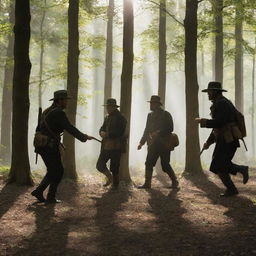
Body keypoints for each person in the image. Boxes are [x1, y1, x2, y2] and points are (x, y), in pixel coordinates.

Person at [31, 90, 92, 203]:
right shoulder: (58, 113)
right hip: (49, 146)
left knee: (53, 170)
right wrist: (83, 137)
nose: (67, 103)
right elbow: (69, 128)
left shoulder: (46, 111)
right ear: (60, 101)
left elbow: (38, 129)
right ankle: (50, 197)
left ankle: (40, 191)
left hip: (41, 145)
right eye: (65, 100)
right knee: (58, 171)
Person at [195, 81, 249, 197]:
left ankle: (241, 170)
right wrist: (209, 142)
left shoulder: (222, 104)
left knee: (219, 165)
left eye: (209, 92)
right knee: (218, 166)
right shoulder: (219, 103)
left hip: (229, 140)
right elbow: (218, 127)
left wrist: (203, 121)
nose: (208, 94)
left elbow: (220, 122)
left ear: (215, 92)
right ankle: (232, 188)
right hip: (224, 139)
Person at [137, 95, 179, 189]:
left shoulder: (166, 114)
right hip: (152, 144)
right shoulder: (149, 115)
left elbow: (170, 128)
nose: (150, 105)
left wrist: (159, 132)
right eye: (150, 103)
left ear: (157, 104)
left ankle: (175, 181)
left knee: (165, 165)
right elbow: (146, 130)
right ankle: (147, 184)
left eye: (152, 103)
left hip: (164, 144)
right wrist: (141, 142)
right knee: (148, 163)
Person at [96, 98, 127, 189]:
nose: (107, 108)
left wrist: (107, 134)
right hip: (106, 145)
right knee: (100, 165)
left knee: (114, 167)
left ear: (114, 107)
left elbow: (120, 132)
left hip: (117, 146)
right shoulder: (107, 117)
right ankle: (110, 178)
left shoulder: (121, 118)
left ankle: (115, 184)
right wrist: (101, 132)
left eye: (109, 107)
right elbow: (102, 128)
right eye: (107, 107)